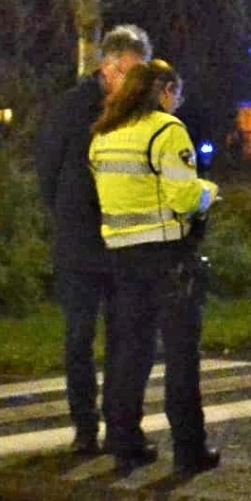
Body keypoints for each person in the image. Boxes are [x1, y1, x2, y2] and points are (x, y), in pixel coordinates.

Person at [88, 58, 220, 471]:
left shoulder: (104, 134)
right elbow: (182, 198)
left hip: (121, 257)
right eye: (176, 94)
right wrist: (209, 192)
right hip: (166, 255)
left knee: (130, 351)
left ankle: (125, 441)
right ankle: (189, 449)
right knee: (182, 355)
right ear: (164, 90)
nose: (177, 103)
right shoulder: (166, 129)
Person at [35, 23, 153, 452]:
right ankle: (85, 428)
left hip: (126, 244)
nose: (136, 82)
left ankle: (123, 428)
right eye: (129, 72)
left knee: (127, 341)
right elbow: (47, 168)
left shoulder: (141, 112)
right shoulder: (72, 108)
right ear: (107, 67)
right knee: (79, 338)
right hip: (81, 245)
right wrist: (70, 217)